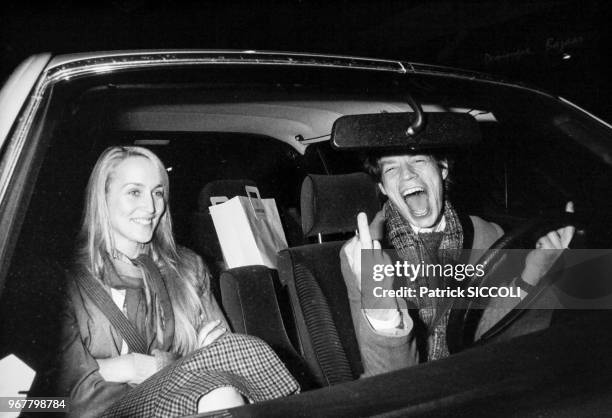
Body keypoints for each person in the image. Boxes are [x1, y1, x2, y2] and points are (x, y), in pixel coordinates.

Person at [58, 146, 299, 417]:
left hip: (184, 398)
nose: (151, 207)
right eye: (134, 192)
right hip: (99, 410)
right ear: (102, 198)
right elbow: (55, 391)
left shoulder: (186, 268)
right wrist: (137, 366)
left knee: (243, 354)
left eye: (158, 193)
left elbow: (225, 353)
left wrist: (137, 367)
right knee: (216, 391)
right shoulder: (65, 282)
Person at [341, 151, 574, 376]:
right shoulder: (362, 253)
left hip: (470, 379)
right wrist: (382, 311)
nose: (407, 175)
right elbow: (387, 383)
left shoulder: (486, 233)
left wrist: (534, 273)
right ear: (382, 187)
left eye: (419, 160)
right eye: (391, 168)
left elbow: (486, 332)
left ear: (442, 168)